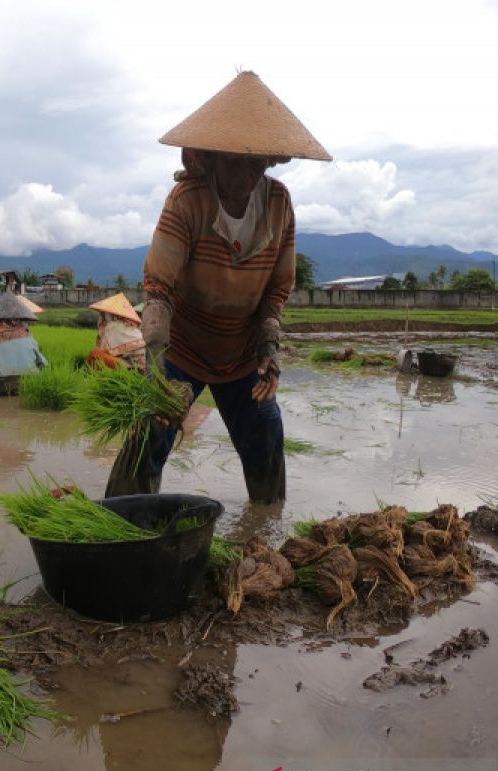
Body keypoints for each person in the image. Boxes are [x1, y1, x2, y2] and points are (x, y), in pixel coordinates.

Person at [105, 71, 332, 504]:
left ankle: (266, 527)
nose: (247, 173)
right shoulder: (188, 201)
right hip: (181, 351)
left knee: (266, 434)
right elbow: (159, 291)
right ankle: (120, 522)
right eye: (235, 161)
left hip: (242, 355)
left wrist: (270, 352)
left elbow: (276, 293)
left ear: (268, 162)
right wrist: (155, 376)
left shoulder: (279, 204)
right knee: (146, 440)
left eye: (256, 162)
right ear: (210, 158)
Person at [85, 292, 146, 370]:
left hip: (136, 369)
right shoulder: (133, 330)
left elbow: (102, 349)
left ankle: (86, 374)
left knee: (95, 355)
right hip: (143, 366)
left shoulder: (116, 328)